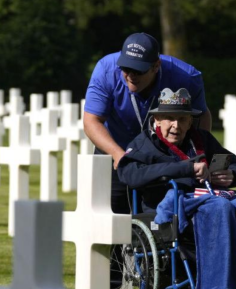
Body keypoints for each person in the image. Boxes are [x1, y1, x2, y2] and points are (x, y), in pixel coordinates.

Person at [117, 87, 236, 289]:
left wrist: (232, 176)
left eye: (182, 119)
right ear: (156, 119)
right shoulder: (144, 144)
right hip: (169, 209)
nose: (175, 126)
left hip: (208, 200)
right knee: (220, 207)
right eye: (169, 119)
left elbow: (235, 164)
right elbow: (129, 175)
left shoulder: (201, 140)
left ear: (191, 122)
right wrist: (186, 168)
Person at [83, 32, 212, 214]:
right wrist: (119, 155)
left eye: (139, 70)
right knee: (111, 217)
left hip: (166, 154)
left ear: (156, 66)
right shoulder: (105, 70)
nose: (130, 75)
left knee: (164, 215)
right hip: (116, 147)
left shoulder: (186, 77)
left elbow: (201, 115)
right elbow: (91, 121)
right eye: (126, 69)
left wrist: (196, 155)